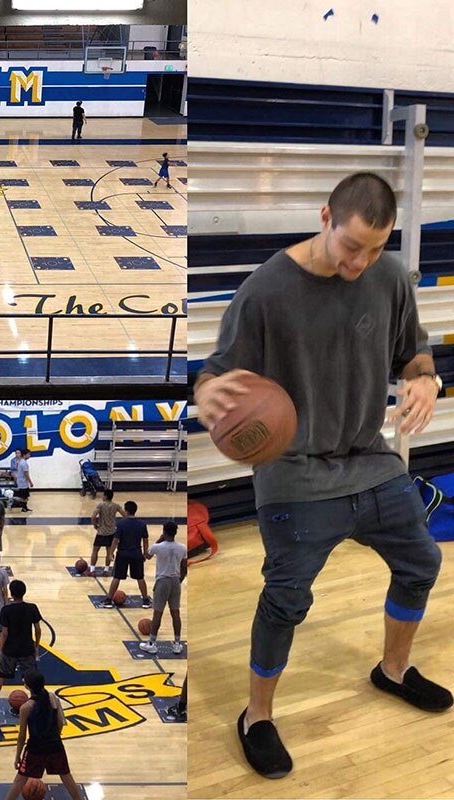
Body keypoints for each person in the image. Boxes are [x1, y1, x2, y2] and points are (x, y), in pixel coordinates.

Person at [194, 171, 448, 779]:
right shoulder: (265, 291)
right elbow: (214, 374)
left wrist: (424, 376)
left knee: (422, 564)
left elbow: (412, 351)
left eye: (375, 248)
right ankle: (257, 717)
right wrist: (208, 395)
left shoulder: (387, 277)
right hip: (294, 473)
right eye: (351, 246)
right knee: (286, 600)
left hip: (368, 458)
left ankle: (391, 671)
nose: (361, 262)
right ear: (325, 216)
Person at [4, 670, 82, 800]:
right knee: (66, 776)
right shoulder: (53, 698)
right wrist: (53, 737)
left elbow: (22, 736)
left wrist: (17, 756)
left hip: (35, 748)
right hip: (55, 745)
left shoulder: (25, 707)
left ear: (27, 686)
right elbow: (61, 722)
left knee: (19, 781)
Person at [0, 579, 41, 719]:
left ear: (11, 594)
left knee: (0, 676)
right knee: (31, 678)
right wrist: (36, 646)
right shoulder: (32, 608)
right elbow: (37, 629)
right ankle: (38, 707)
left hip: (11, 649)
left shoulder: (7, 610)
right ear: (24, 592)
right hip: (27, 648)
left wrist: (2, 647)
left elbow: (5, 633)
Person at [139, 521, 187, 655]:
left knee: (158, 613)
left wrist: (160, 539)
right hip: (175, 581)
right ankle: (177, 644)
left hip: (162, 581)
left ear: (164, 532)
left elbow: (146, 556)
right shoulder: (182, 548)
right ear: (176, 532)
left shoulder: (158, 547)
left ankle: (152, 643)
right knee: (175, 613)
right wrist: (180, 579)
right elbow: (184, 566)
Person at [101, 500, 151, 609]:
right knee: (140, 578)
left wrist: (110, 553)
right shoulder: (142, 524)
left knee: (117, 577)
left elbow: (115, 540)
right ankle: (146, 600)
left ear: (126, 510)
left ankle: (109, 600)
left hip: (123, 554)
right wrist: (145, 553)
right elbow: (145, 540)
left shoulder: (121, 524)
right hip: (136, 553)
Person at [89, 489, 124, 576]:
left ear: (105, 496)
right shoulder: (116, 505)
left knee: (95, 550)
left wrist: (95, 525)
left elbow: (93, 517)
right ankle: (106, 570)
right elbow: (125, 515)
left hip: (101, 531)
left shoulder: (101, 505)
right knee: (109, 552)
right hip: (112, 531)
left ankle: (92, 570)